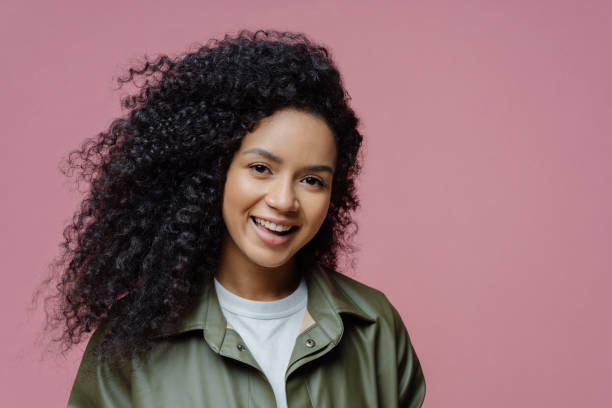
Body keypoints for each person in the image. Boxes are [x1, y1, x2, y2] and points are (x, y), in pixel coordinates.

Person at [46, 29, 425, 407]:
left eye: (312, 180)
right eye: (261, 168)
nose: (284, 200)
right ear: (213, 172)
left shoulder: (374, 326)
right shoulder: (130, 342)